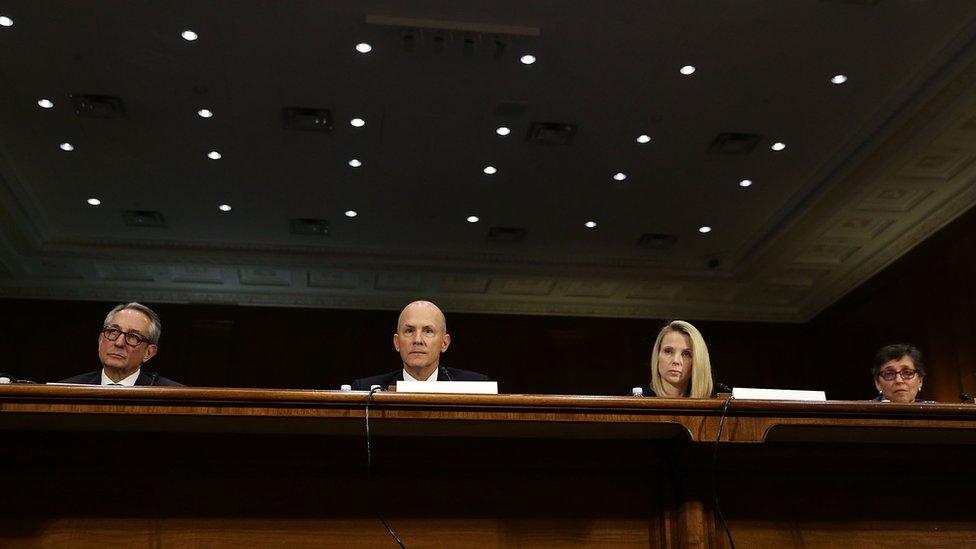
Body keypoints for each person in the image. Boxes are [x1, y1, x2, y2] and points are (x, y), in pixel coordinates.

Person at [350, 300, 488, 390]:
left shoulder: (475, 387)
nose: (417, 340)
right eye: (409, 331)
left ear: (444, 343)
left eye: (428, 331)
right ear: (397, 343)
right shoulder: (366, 390)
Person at [60, 302, 182, 386]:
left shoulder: (173, 395)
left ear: (148, 352)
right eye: (113, 331)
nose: (119, 343)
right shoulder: (64, 390)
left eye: (133, 336)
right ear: (100, 340)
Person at [647, 320, 714, 398]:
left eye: (686, 354)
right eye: (668, 351)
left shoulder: (718, 405)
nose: (676, 360)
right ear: (657, 355)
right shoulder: (635, 403)